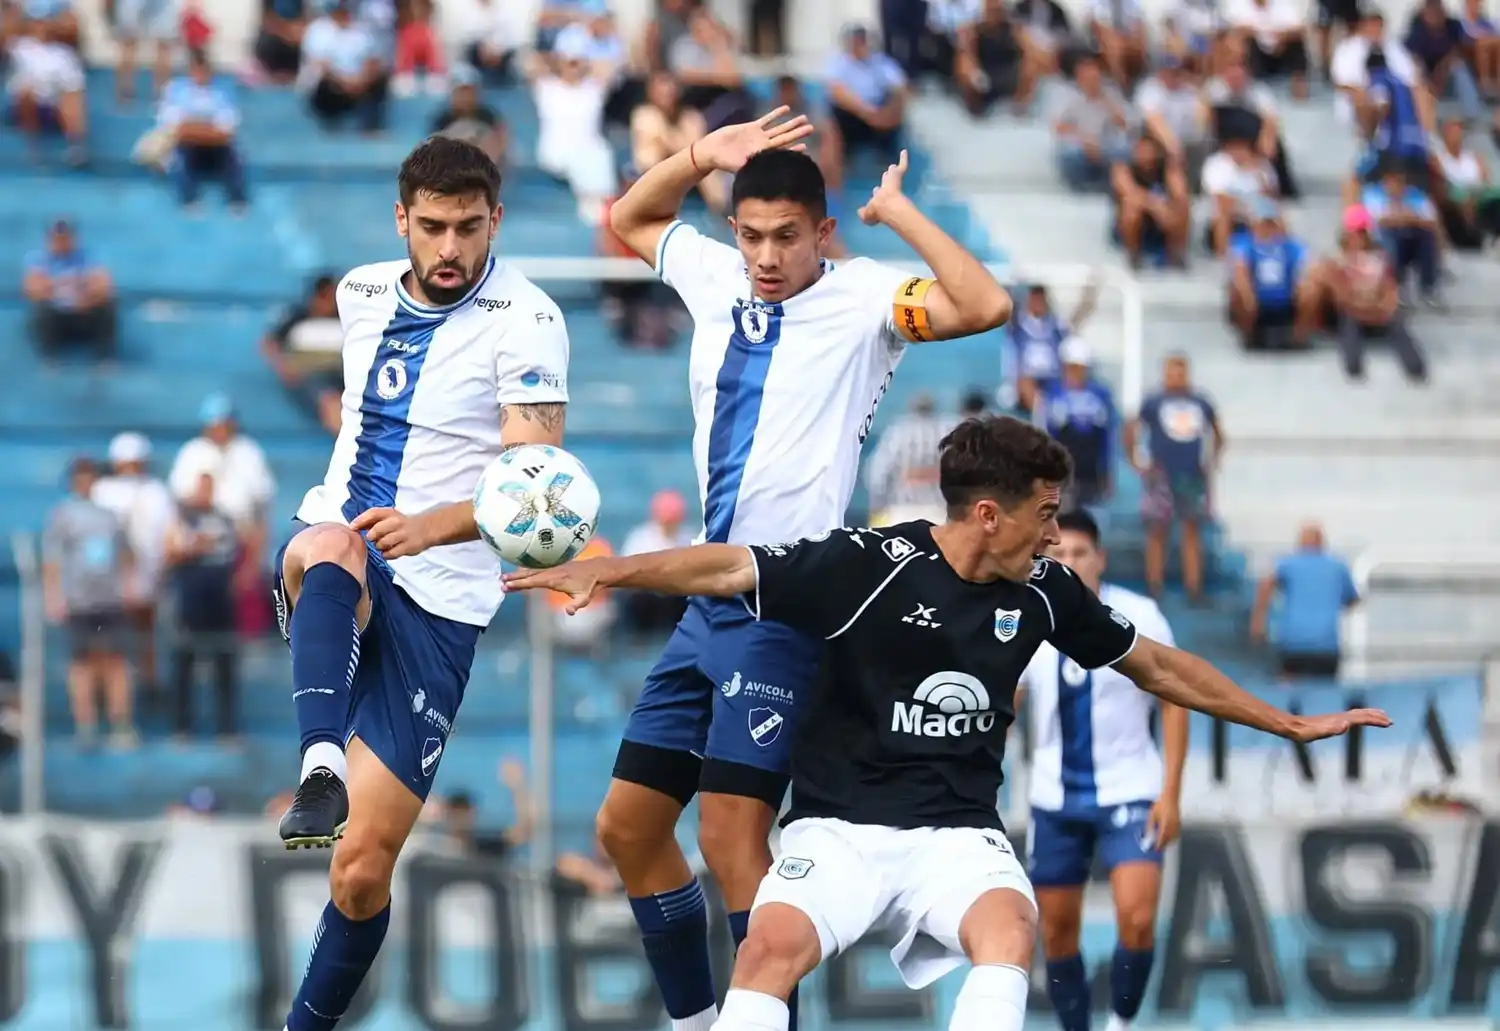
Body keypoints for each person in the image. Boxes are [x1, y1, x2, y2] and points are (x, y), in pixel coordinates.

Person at [502, 415, 1391, 1031]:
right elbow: (727, 567)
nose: (1056, 534)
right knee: (767, 947)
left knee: (1008, 928)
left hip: (957, 834)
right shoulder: (868, 565)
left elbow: (1153, 663)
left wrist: (1283, 720)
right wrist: (610, 575)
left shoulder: (1045, 592)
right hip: (838, 829)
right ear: (988, 513)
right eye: (1046, 514)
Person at [602, 106, 1014, 1031]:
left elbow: (986, 305)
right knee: (627, 828)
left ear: (822, 233)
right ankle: (699, 1019)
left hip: (792, 605)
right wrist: (702, 154)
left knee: (732, 838)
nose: (766, 255)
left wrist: (900, 214)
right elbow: (630, 219)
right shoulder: (715, 275)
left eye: (787, 237)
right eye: (750, 235)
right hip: (708, 606)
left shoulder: (869, 299)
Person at [269, 136, 572, 1031]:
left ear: (495, 223)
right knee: (331, 539)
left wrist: (433, 524)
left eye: (468, 229)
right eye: (432, 227)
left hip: (443, 600)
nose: (449, 249)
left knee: (360, 870)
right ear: (402, 219)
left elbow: (537, 487)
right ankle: (319, 763)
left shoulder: (529, 320)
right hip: (347, 550)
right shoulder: (362, 293)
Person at [1016, 509, 1184, 1031]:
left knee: (1136, 918)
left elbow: (1174, 702)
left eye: (1079, 553)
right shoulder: (1023, 615)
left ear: (1100, 558)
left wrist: (1171, 794)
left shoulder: (1140, 614)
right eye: (1059, 553)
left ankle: (1121, 1022)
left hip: (1130, 789)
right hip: (1053, 798)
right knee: (1058, 933)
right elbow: (1004, 700)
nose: (1069, 562)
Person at [43, 458, 138, 749]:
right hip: (79, 601)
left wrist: (128, 585)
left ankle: (120, 721)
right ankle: (85, 723)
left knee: (116, 662)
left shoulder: (110, 516)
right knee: (81, 663)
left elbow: (125, 554)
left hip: (109, 599)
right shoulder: (62, 515)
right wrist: (54, 596)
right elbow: (52, 560)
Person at [1124, 355, 1223, 603]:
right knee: (1158, 530)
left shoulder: (1201, 401)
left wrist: (1211, 461)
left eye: (1180, 372)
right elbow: (1131, 429)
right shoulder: (1154, 401)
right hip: (1161, 474)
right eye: (1172, 372)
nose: (1176, 377)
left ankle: (1194, 587)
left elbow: (1218, 432)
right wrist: (1135, 459)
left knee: (1192, 530)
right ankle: (1154, 584)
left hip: (1192, 473)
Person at [164, 471, 241, 739]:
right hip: (191, 594)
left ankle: (227, 727)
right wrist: (197, 546)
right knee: (185, 659)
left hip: (219, 595)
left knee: (224, 660)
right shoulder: (183, 517)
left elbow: (237, 550)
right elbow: (171, 551)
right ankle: (182, 726)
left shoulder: (224, 518)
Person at [1250, 522, 1359, 679]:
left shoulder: (1287, 563)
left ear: (1300, 542)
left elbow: (1266, 584)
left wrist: (1258, 621)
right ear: (1322, 542)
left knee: (1288, 688)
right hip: (1326, 646)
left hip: (1293, 645)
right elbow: (1352, 600)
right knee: (1324, 693)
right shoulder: (1338, 566)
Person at [1227, 197, 1315, 351]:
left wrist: (1301, 285)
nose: (1267, 228)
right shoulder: (1244, 244)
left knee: (1311, 289)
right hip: (1256, 298)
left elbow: (1305, 264)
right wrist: (1248, 294)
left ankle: (1298, 337)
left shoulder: (1291, 245)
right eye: (1263, 223)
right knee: (1238, 288)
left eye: (1270, 223)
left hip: (1286, 297)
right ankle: (1249, 334)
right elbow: (1240, 267)